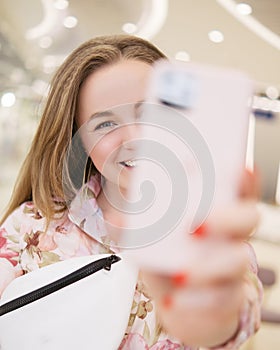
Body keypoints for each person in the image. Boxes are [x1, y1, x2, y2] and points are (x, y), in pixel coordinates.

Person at [0, 34, 262, 349]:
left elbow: (238, 321)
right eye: (105, 125)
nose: (134, 138)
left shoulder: (216, 241)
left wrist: (215, 324)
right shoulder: (30, 226)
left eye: (148, 114)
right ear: (79, 141)